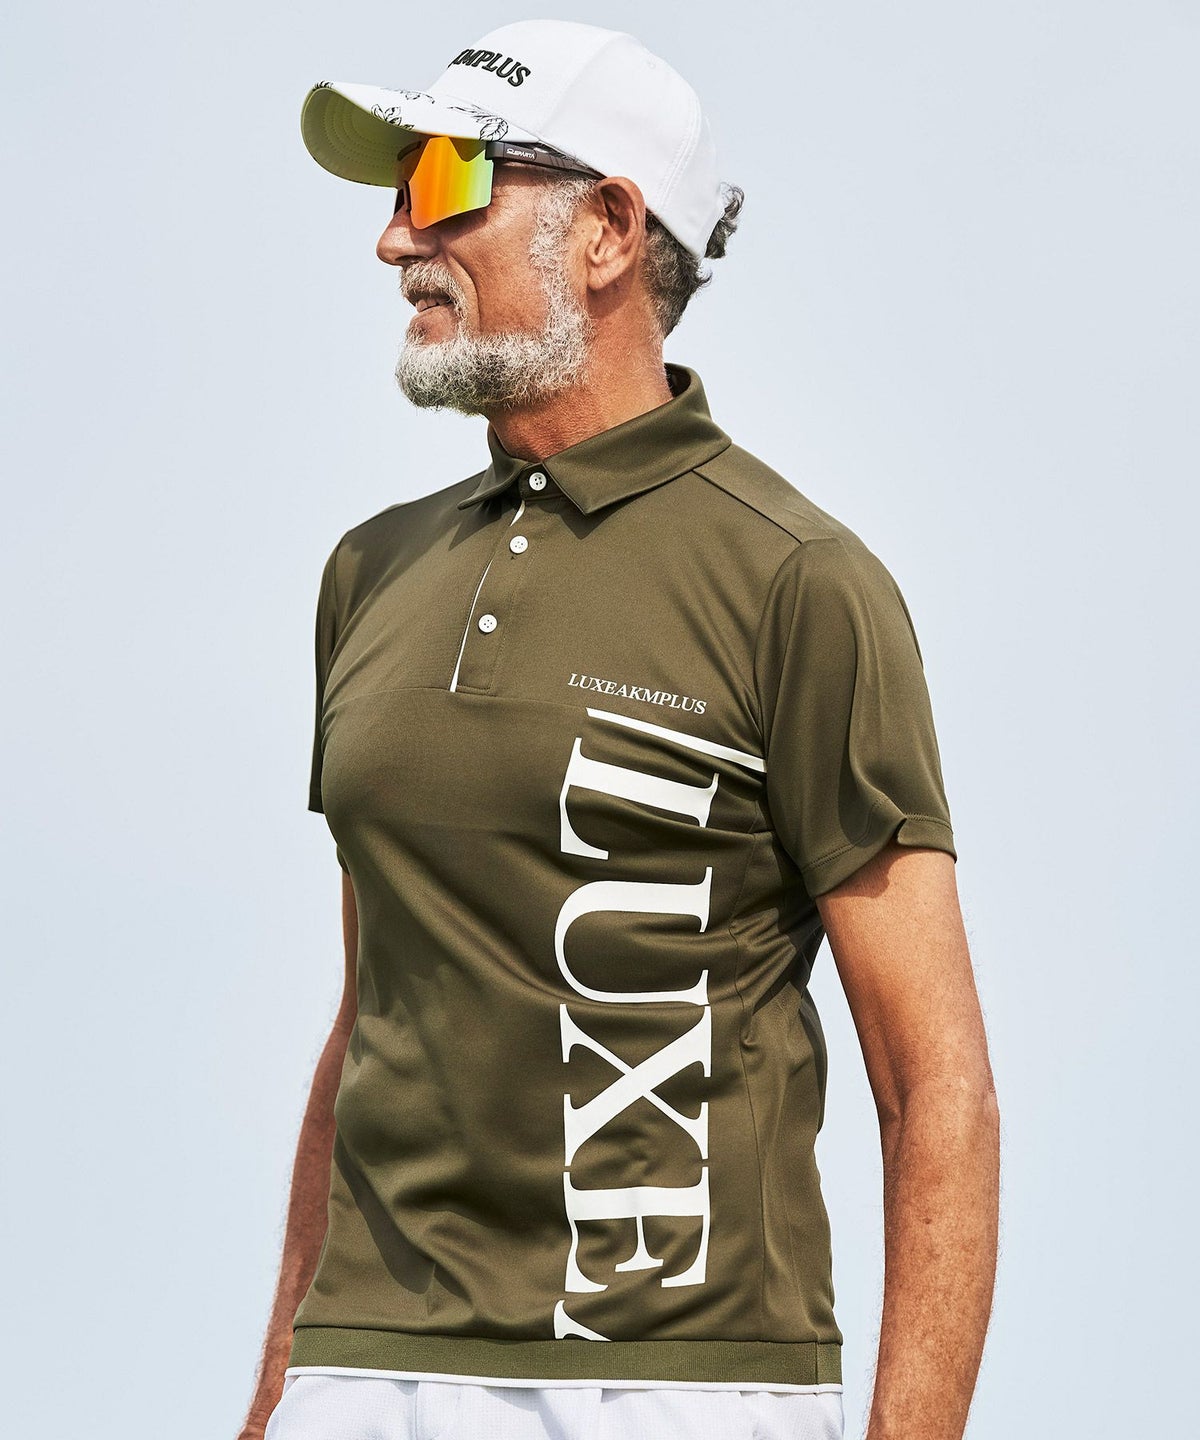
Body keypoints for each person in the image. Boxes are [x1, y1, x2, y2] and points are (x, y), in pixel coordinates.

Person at [239, 19, 999, 1440]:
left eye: (447, 180)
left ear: (606, 229)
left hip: (678, 1388)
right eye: (398, 189)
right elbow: (373, 1015)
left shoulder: (800, 583)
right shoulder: (367, 575)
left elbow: (933, 1082)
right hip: (363, 1379)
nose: (397, 238)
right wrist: (279, 1391)